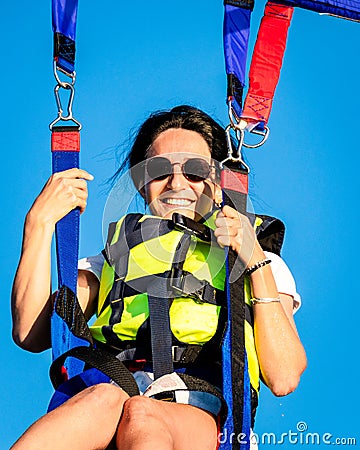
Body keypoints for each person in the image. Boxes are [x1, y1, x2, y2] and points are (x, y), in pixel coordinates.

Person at [11, 105, 307, 450]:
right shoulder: (112, 259)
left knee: (143, 414)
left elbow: (284, 376)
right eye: (159, 170)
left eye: (196, 171)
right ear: (142, 185)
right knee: (102, 399)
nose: (177, 183)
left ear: (219, 183)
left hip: (202, 411)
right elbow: (31, 332)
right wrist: (39, 224)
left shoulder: (258, 260)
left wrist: (253, 259)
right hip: (113, 396)